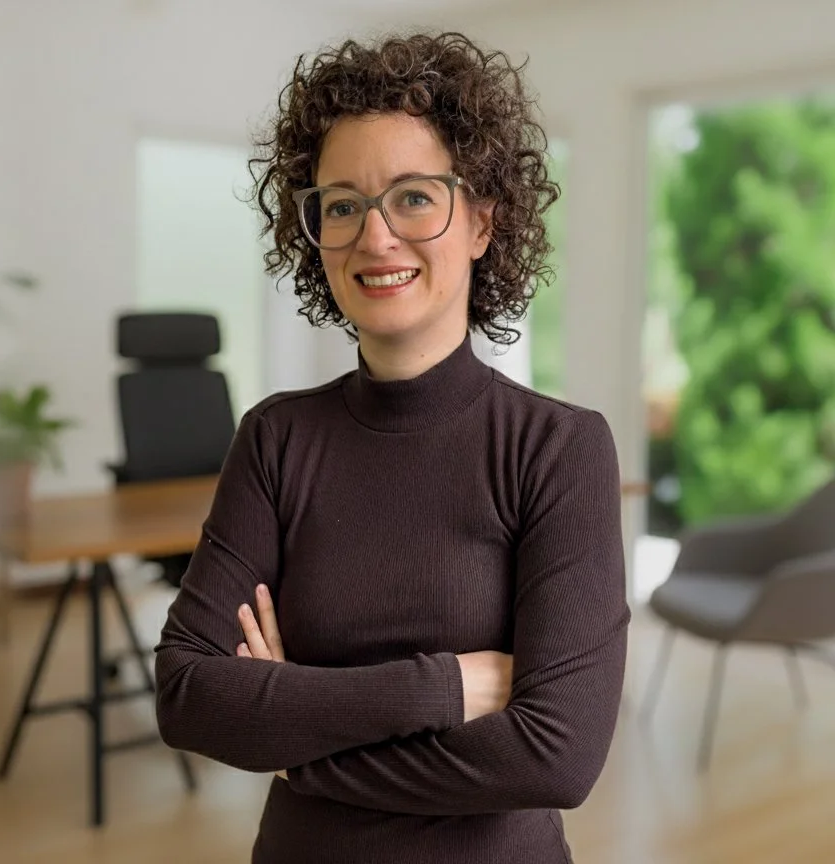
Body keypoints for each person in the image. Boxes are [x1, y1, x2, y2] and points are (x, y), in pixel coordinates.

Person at [154, 30, 629, 864]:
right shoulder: (275, 438)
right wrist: (446, 687)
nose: (375, 238)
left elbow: (557, 754)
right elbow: (190, 694)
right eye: (342, 204)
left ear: (483, 220)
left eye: (414, 197)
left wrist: (298, 732)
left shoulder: (558, 449)